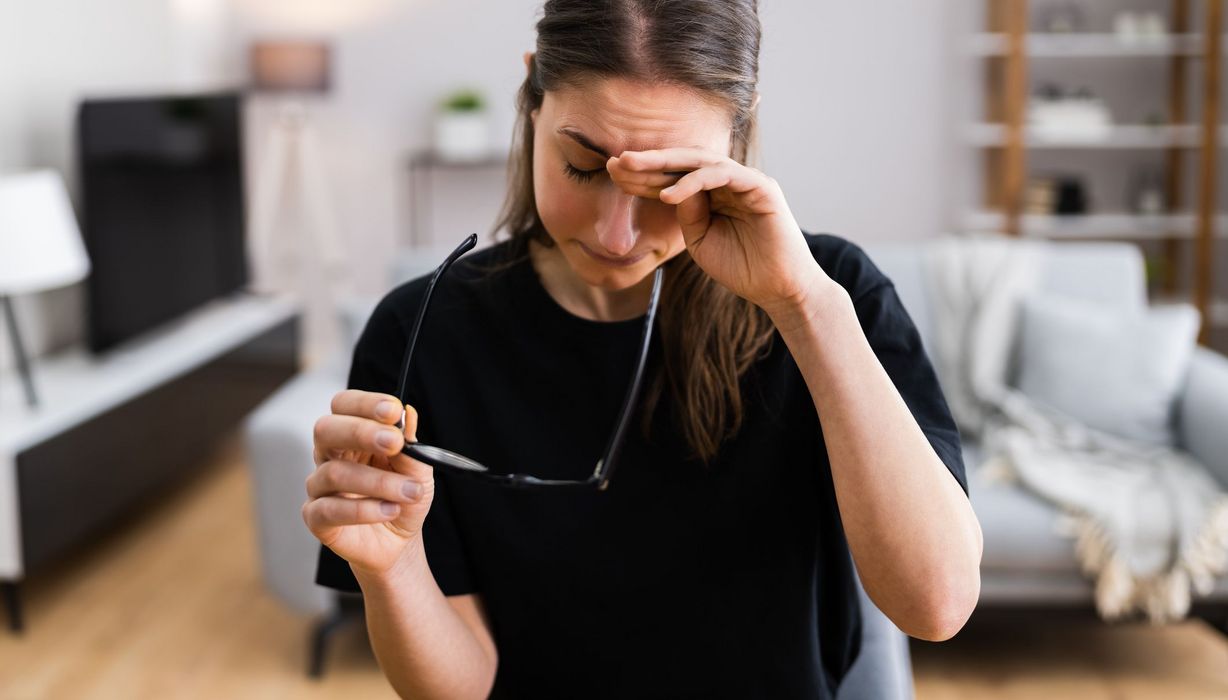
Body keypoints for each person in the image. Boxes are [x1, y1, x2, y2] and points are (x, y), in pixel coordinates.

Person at [305, 1, 982, 697]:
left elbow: (936, 605)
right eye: (581, 167)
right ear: (533, 94)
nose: (617, 235)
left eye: (665, 183)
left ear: (737, 136)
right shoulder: (422, 330)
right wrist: (394, 566)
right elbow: (461, 686)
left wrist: (804, 307)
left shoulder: (832, 297)